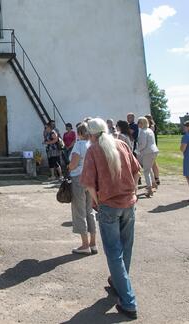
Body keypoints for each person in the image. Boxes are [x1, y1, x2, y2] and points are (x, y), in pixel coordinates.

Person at [80, 118, 140, 319]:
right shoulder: (122, 143)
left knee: (114, 252)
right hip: (128, 204)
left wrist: (98, 202)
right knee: (126, 247)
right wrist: (134, 192)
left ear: (91, 135)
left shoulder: (93, 150)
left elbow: (88, 185)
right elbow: (136, 170)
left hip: (109, 206)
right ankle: (118, 282)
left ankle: (129, 301)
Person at [67, 123, 97, 255]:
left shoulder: (79, 145)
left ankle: (85, 244)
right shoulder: (93, 145)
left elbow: (73, 164)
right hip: (91, 179)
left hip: (79, 178)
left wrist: (68, 167)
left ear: (79, 133)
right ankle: (93, 243)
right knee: (89, 210)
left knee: (79, 211)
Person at [135, 116, 158, 197]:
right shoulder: (149, 130)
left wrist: (137, 151)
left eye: (139, 122)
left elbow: (143, 144)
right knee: (149, 168)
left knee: (146, 171)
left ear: (143, 123)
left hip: (147, 152)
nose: (138, 124)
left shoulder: (143, 131)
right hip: (153, 151)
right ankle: (154, 184)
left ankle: (150, 189)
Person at [145, 115, 161, 187]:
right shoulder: (149, 126)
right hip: (151, 147)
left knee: (153, 163)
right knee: (152, 163)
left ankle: (156, 178)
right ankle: (154, 179)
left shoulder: (152, 126)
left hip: (152, 147)